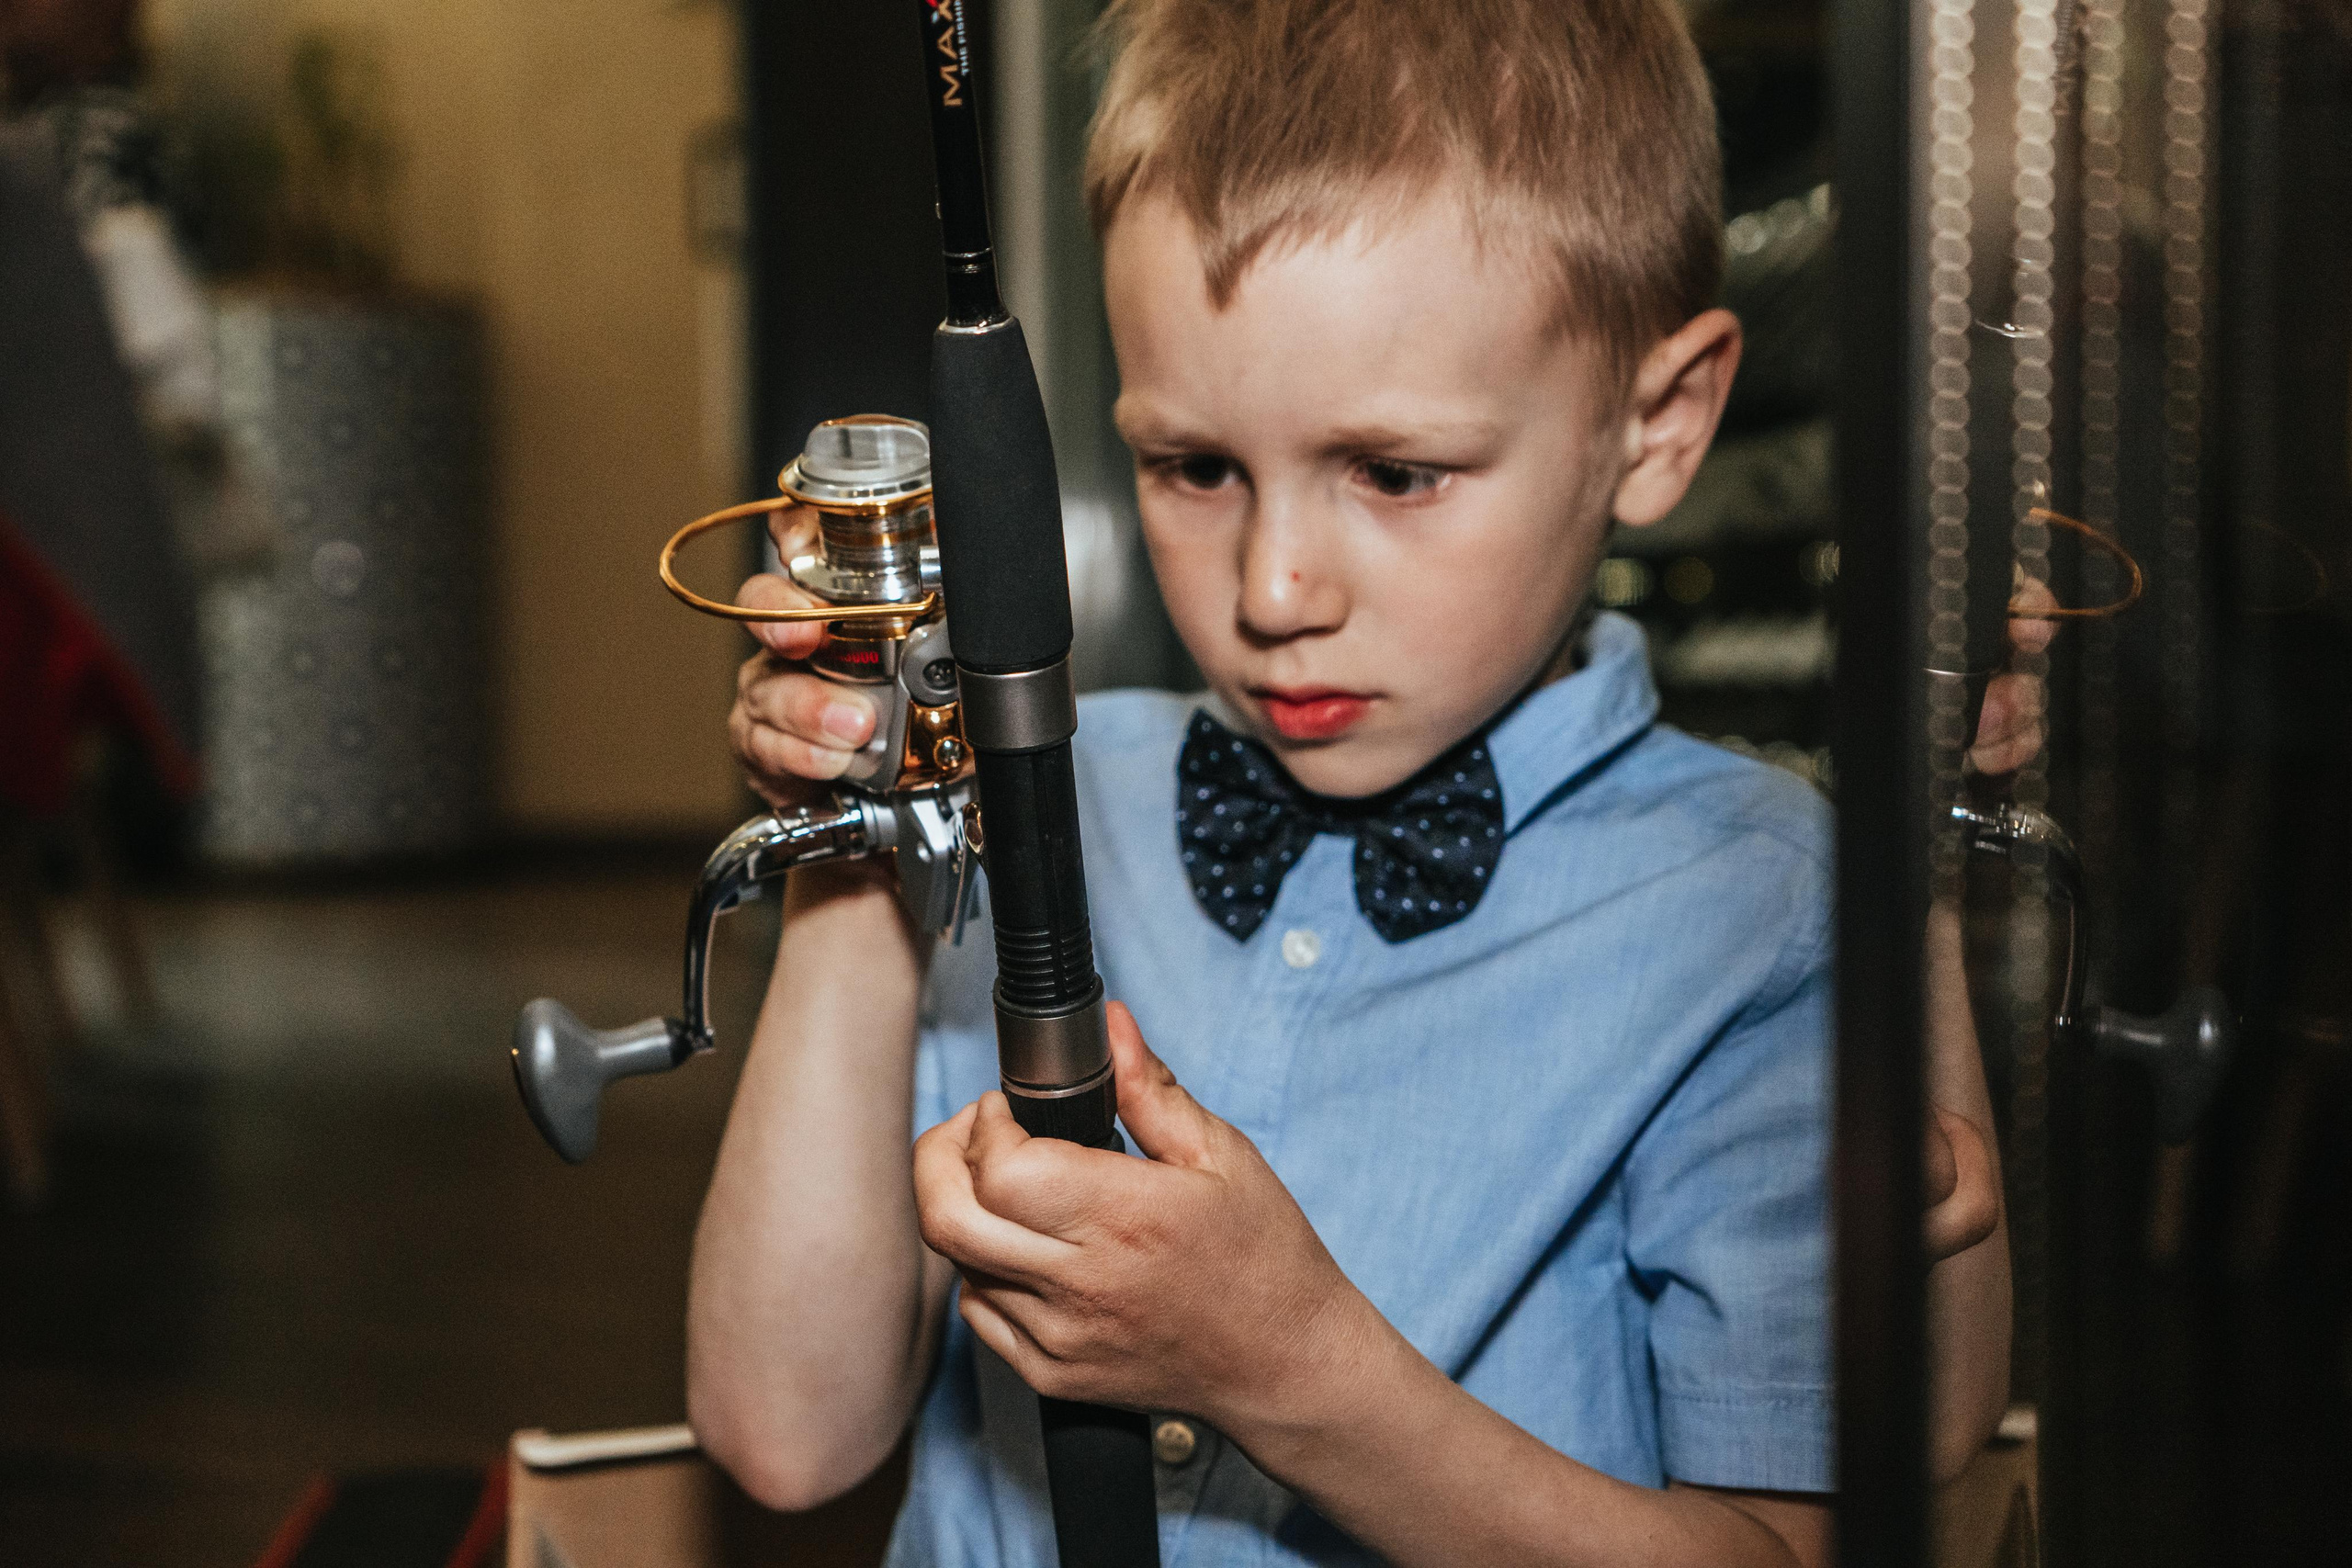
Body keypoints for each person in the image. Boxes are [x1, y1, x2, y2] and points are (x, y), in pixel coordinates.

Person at [689, 3, 2017, 1562]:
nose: (1275, 586)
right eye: (1195, 467)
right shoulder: (1029, 806)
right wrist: (866, 843)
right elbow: (785, 1433)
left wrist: (1287, 1369)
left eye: (1394, 473)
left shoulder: (1756, 905)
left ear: (1655, 428)